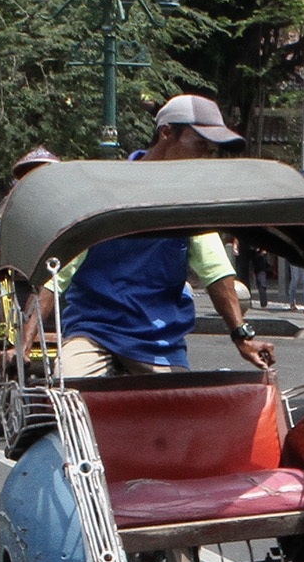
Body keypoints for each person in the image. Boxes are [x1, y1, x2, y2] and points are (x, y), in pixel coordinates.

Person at [50, 94, 271, 377]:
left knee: (178, 408)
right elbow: (59, 271)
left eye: (211, 151)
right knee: (67, 388)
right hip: (94, 332)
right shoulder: (106, 191)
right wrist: (22, 336)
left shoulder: (190, 203)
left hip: (158, 342)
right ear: (166, 133)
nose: (204, 158)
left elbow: (215, 271)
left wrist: (242, 336)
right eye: (199, 145)